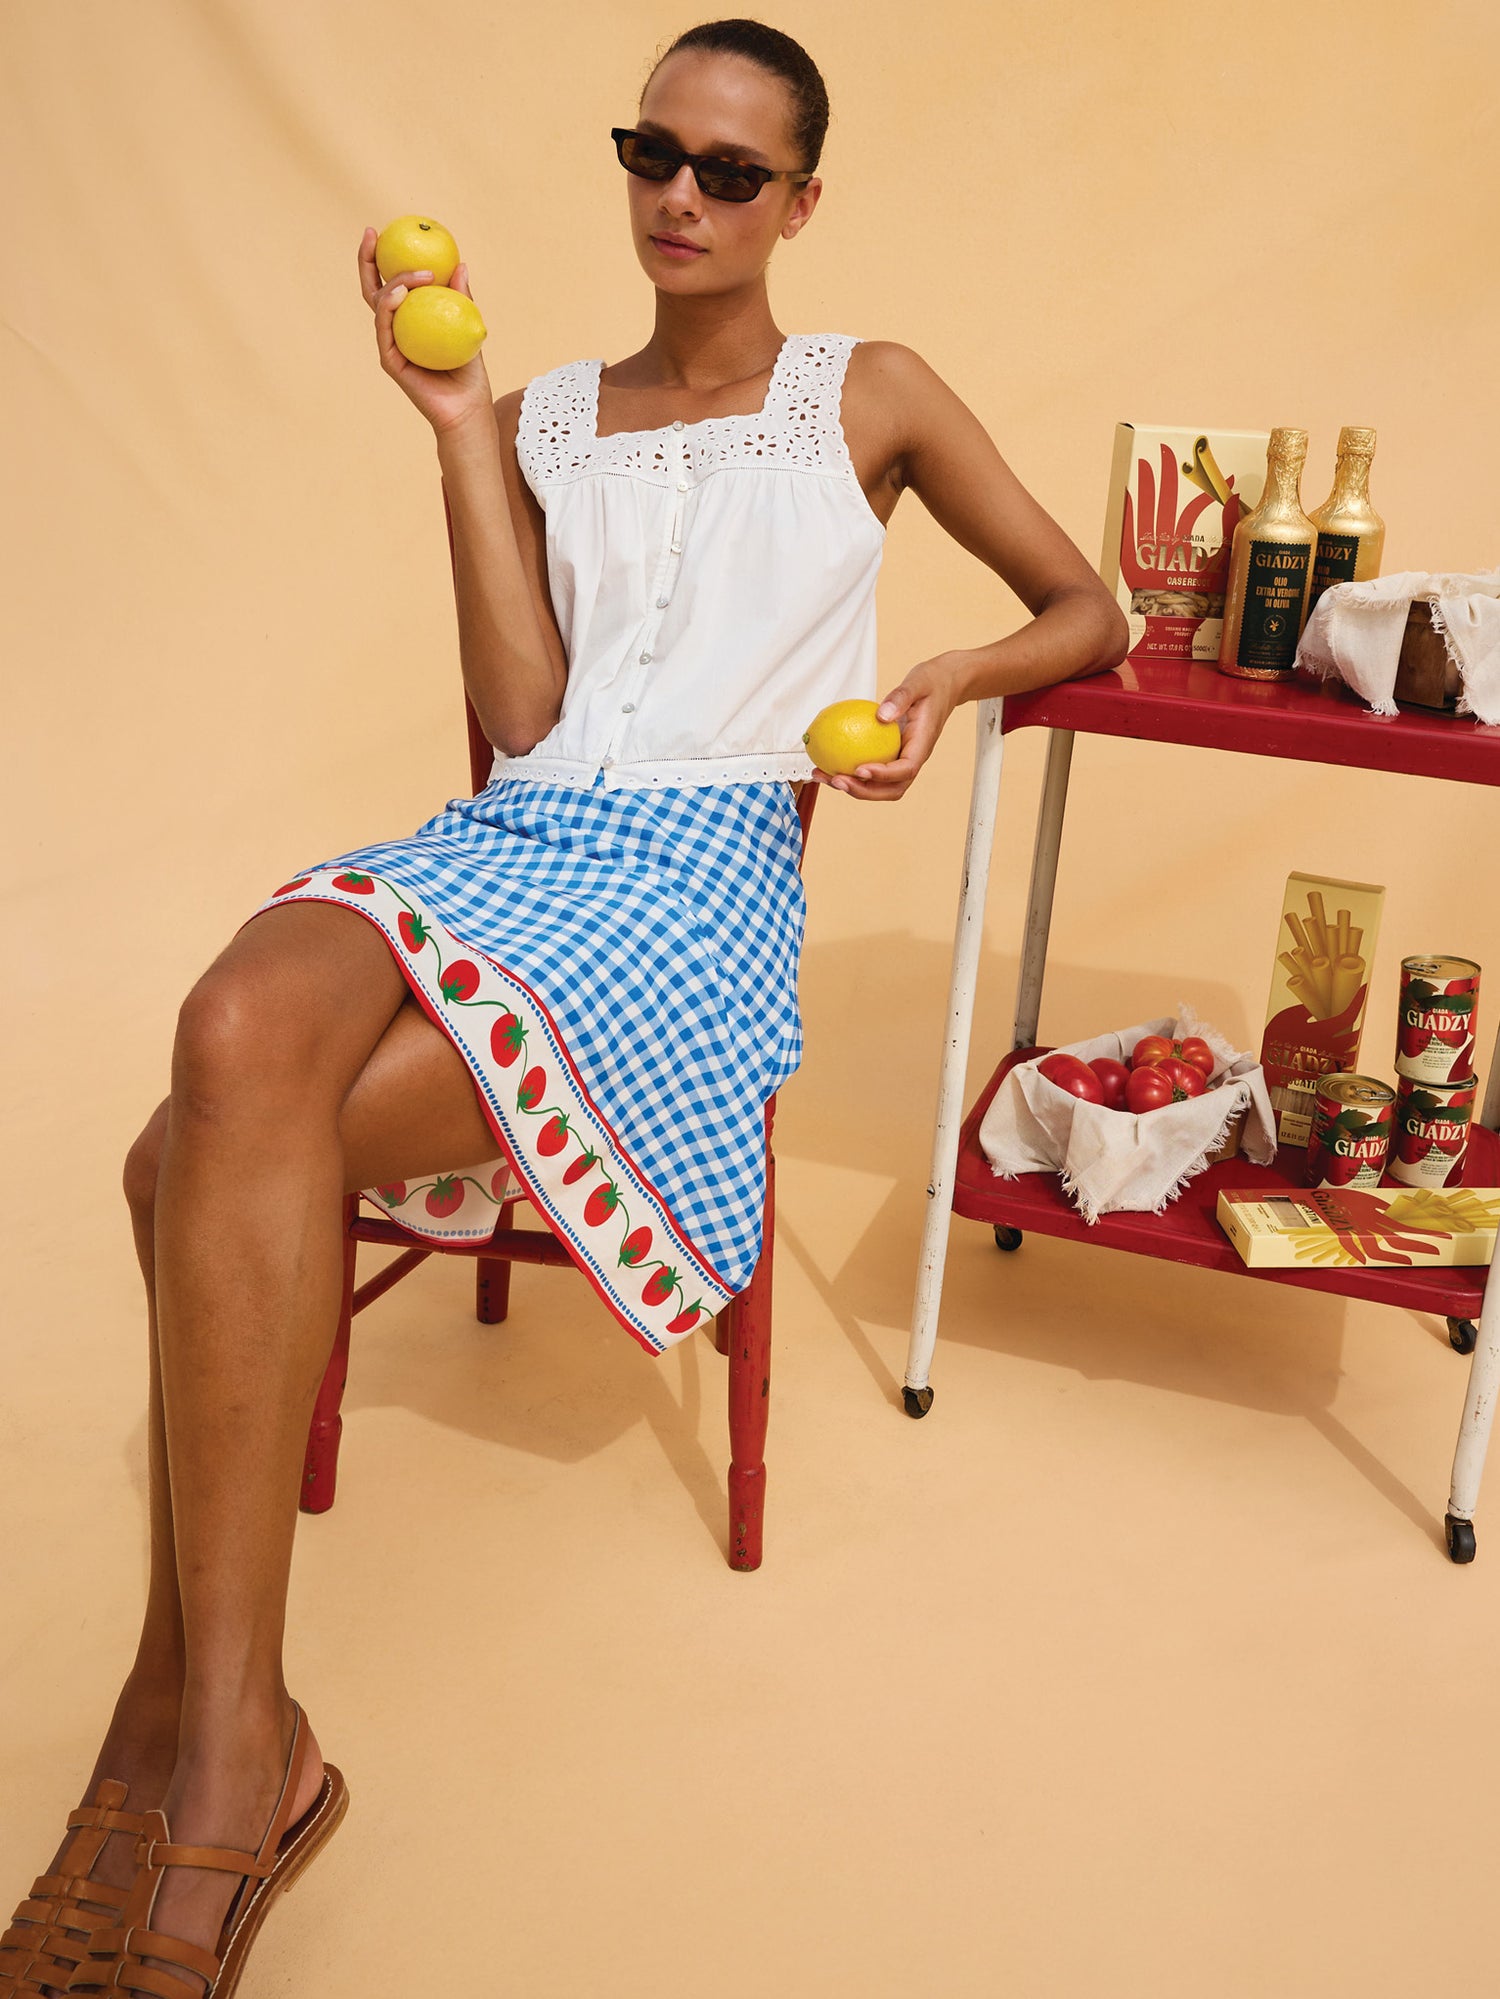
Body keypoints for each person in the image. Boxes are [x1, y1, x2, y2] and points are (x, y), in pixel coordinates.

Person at [1, 17, 1128, 1997]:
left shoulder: (865, 392)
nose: (678, 199)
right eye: (652, 154)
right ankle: (235, 1747)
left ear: (800, 198)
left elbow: (1089, 606)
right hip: (520, 840)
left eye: (727, 171)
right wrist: (448, 427)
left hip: (693, 894)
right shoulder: (533, 414)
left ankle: (196, 1742)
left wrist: (946, 676)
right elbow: (527, 716)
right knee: (230, 1023)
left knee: (186, 1164)